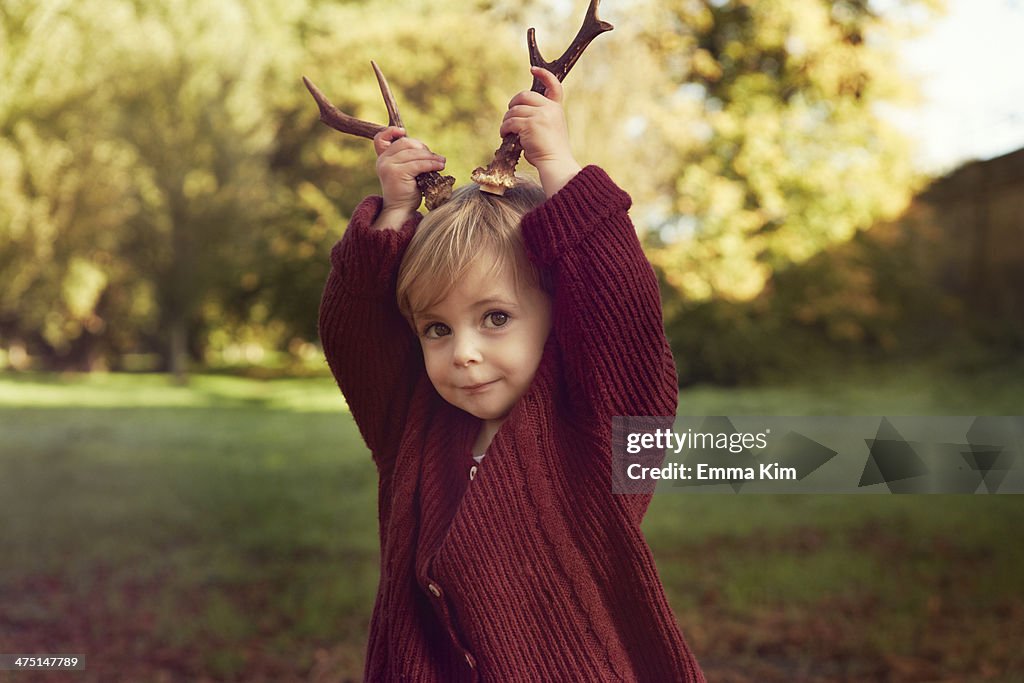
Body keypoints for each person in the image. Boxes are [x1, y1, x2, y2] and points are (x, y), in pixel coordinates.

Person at [319, 66, 705, 681]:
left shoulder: (599, 435)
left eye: (495, 317)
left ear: (560, 314)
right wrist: (394, 213)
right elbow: (356, 338)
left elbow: (621, 320)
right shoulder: (410, 431)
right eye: (437, 329)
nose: (463, 352)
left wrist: (558, 166)